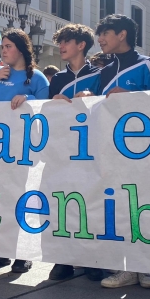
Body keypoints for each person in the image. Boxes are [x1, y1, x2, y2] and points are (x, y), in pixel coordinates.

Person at [72, 15, 150, 288]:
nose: (100, 39)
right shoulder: (105, 70)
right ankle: (126, 267)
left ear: (122, 34)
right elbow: (96, 103)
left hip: (142, 152)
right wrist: (85, 97)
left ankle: (148, 266)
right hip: (110, 150)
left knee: (142, 207)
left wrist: (133, 98)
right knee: (120, 207)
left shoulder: (147, 65)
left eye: (105, 33)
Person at [0, 28, 49, 273]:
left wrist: (28, 100)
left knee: (18, 198)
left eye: (8, 46)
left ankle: (22, 254)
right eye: (2, 47)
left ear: (21, 49)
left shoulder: (36, 78)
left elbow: (47, 109)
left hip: (20, 149)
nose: (3, 51)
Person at [46, 23, 102, 281]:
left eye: (66, 41)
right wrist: (52, 103)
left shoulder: (100, 74)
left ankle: (92, 258)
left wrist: (93, 98)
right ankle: (63, 259)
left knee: (90, 202)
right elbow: (45, 112)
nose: (61, 46)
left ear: (81, 45)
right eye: (60, 42)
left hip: (90, 150)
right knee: (63, 202)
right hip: (63, 150)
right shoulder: (57, 78)